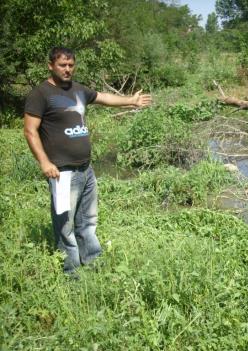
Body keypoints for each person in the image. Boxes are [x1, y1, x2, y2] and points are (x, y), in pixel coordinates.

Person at [24, 47, 152, 275]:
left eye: (71, 65)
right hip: (62, 173)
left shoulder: (78, 90)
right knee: (65, 225)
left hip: (86, 169)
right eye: (62, 65)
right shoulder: (41, 94)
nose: (67, 69)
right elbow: (30, 131)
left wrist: (130, 101)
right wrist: (44, 162)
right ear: (51, 65)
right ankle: (71, 272)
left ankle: (93, 263)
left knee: (88, 220)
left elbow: (103, 98)